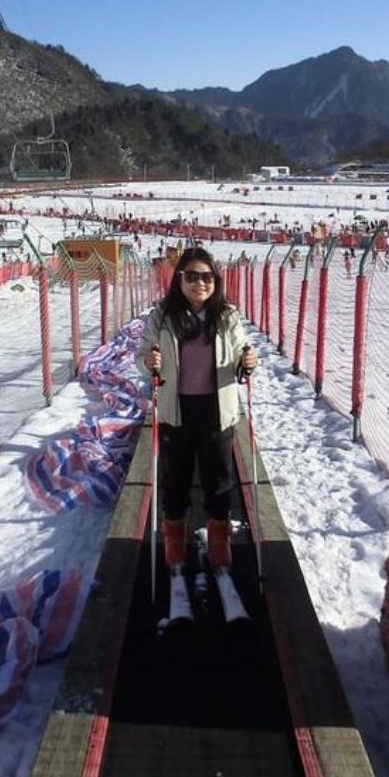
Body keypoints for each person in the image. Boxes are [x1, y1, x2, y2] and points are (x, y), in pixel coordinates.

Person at [139, 247, 258, 623]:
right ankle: (174, 551)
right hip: (175, 412)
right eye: (191, 276)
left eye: (206, 277)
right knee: (174, 483)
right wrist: (149, 362)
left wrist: (247, 362)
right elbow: (143, 354)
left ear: (215, 281)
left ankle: (220, 549)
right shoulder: (163, 316)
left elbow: (240, 353)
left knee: (218, 483)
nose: (199, 283)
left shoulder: (226, 316)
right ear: (179, 279)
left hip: (216, 412)